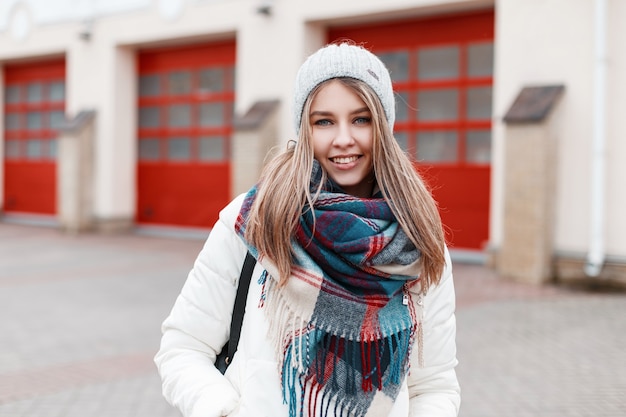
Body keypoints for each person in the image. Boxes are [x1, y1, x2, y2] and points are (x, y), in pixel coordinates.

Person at [155, 42, 460, 417]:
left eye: (361, 119)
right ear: (304, 129)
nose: (343, 138)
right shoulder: (257, 222)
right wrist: (223, 411)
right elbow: (183, 348)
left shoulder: (418, 243)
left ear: (383, 127)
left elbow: (434, 385)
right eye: (324, 121)